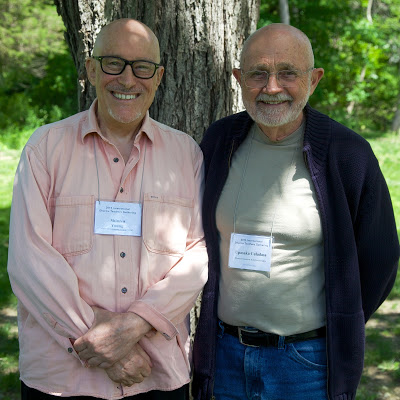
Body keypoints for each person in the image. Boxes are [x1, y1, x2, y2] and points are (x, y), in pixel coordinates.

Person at [192, 23, 399, 400]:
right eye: (257, 73)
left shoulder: (347, 155)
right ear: (239, 79)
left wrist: (341, 321)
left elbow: (381, 258)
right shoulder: (220, 141)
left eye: (287, 73)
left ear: (314, 79)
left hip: (307, 362)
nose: (272, 87)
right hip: (225, 354)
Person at [7, 18, 208, 400]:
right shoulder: (45, 149)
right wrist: (100, 342)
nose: (128, 80)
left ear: (159, 75)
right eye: (113, 63)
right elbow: (29, 261)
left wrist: (131, 327)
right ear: (91, 69)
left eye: (142, 67)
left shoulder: (186, 155)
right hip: (62, 377)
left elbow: (198, 256)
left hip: (157, 374)